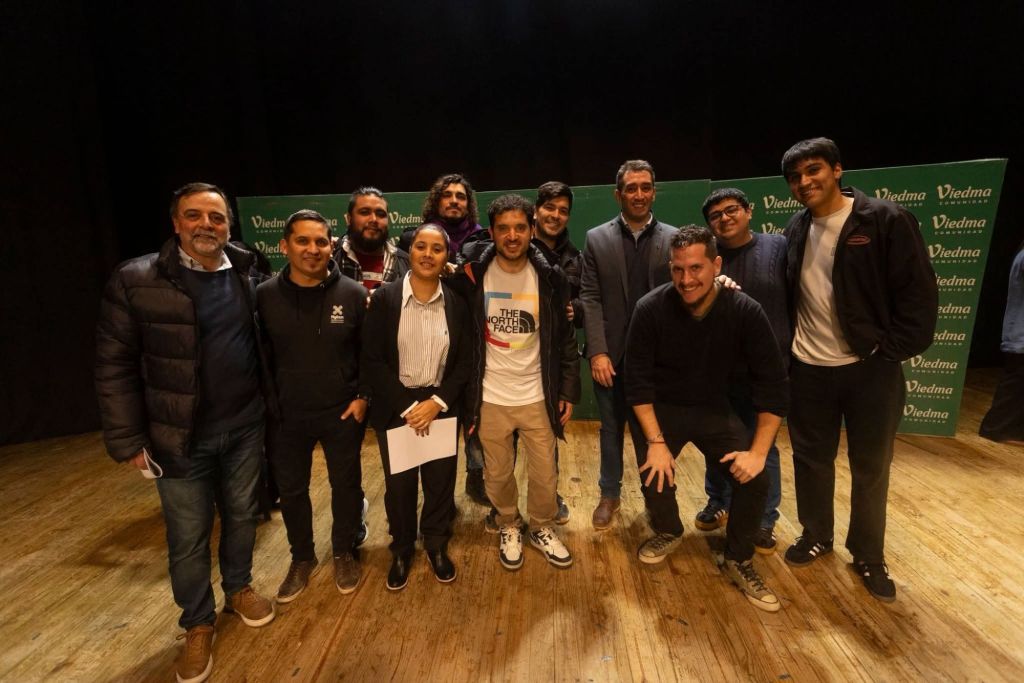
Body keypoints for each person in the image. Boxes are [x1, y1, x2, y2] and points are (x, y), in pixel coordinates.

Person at [95, 182, 274, 683]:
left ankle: (238, 588)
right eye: (194, 216)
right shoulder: (136, 279)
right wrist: (128, 440)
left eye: (216, 217)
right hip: (177, 437)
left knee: (243, 515)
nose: (206, 225)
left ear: (229, 225)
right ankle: (197, 622)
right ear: (175, 223)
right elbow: (113, 364)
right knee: (189, 536)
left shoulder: (247, 271)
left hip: (244, 427)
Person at [781, 137, 938, 602]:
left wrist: (888, 352)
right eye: (795, 177)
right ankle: (816, 534)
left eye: (813, 170)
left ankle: (868, 554)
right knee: (811, 460)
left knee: (870, 466)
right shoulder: (796, 227)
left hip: (870, 370)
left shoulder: (885, 219)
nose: (804, 182)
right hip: (809, 368)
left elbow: (919, 294)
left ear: (837, 170)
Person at [625, 225, 789, 612]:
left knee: (755, 477)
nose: (686, 279)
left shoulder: (745, 310)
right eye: (678, 269)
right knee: (654, 470)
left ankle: (738, 558)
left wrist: (757, 454)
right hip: (664, 409)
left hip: (716, 409)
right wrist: (656, 443)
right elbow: (637, 384)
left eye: (696, 268)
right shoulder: (650, 308)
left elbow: (773, 387)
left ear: (716, 265)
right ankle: (668, 529)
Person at [453, 194, 581, 570]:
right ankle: (508, 522)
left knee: (545, 473)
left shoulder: (551, 277)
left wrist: (568, 390)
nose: (512, 236)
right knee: (496, 473)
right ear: (492, 232)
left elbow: (565, 340)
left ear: (532, 230)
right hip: (490, 395)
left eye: (520, 228)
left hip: (537, 394)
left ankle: (541, 526)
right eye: (504, 228)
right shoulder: (472, 275)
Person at [257, 210, 369, 601]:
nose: (313, 249)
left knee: (347, 485)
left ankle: (344, 551)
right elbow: (260, 355)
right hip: (286, 415)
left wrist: (363, 396)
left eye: (321, 241)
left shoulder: (353, 294)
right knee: (291, 491)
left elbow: (368, 352)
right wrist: (269, 404)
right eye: (302, 241)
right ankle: (302, 557)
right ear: (284, 246)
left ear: (331, 246)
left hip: (341, 411)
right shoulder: (264, 296)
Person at [361, 223, 472, 590]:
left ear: (447, 256)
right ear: (410, 252)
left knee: (441, 484)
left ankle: (436, 544)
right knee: (400, 488)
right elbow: (372, 359)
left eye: (437, 249)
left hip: (441, 405)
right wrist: (409, 406)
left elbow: (465, 362)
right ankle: (402, 548)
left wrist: (436, 403)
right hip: (398, 407)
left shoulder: (457, 303)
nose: (428, 254)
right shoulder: (384, 299)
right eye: (421, 246)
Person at [579, 160, 677, 530]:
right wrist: (598, 351)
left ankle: (655, 499)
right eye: (631, 188)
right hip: (612, 357)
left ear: (654, 191)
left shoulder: (674, 238)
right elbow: (590, 297)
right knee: (610, 430)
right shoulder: (596, 238)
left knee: (652, 433)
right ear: (617, 193)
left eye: (645, 187)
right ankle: (609, 495)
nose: (639, 194)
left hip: (656, 359)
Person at [695, 188, 789, 554]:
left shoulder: (778, 247)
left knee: (762, 444)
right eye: (715, 215)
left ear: (749, 211)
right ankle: (718, 500)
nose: (724, 218)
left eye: (731, 210)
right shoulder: (707, 257)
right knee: (715, 440)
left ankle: (764, 518)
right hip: (719, 370)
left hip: (766, 368)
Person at [400, 173, 489, 505]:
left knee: (474, 416)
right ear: (436, 200)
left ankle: (476, 477)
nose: (454, 201)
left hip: (474, 341)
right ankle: (438, 497)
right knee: (433, 420)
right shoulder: (412, 239)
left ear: (468, 203)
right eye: (447, 195)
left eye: (460, 196)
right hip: (426, 344)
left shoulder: (484, 240)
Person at [335, 186, 409, 293]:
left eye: (381, 214)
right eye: (365, 212)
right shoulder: (330, 260)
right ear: (349, 219)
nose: (374, 219)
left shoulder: (407, 265)